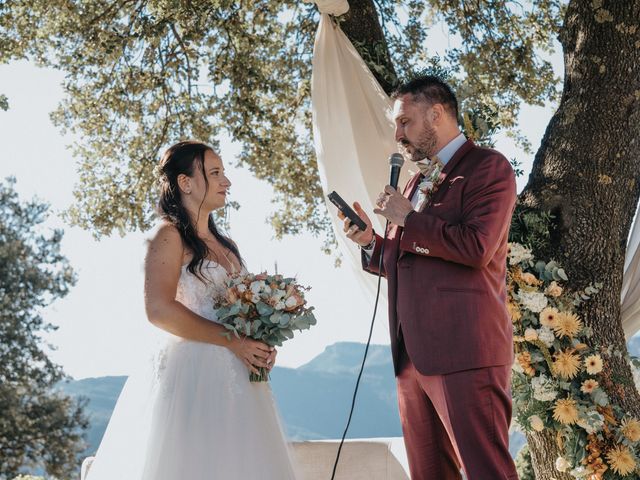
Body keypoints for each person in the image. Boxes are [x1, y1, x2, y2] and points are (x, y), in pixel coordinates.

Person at [340, 75, 519, 480]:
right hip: (411, 356)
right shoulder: (417, 181)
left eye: (405, 122)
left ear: (436, 113)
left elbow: (476, 248)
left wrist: (408, 218)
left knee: (487, 471)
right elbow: (408, 261)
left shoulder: (488, 168)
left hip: (465, 352)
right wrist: (370, 240)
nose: (398, 134)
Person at [86, 141, 297, 479]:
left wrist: (259, 342)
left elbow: (241, 312)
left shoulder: (228, 246)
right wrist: (233, 341)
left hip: (239, 384)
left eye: (224, 173)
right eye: (214, 173)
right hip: (191, 381)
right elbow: (158, 310)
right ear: (185, 183)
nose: (226, 181)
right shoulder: (168, 236)